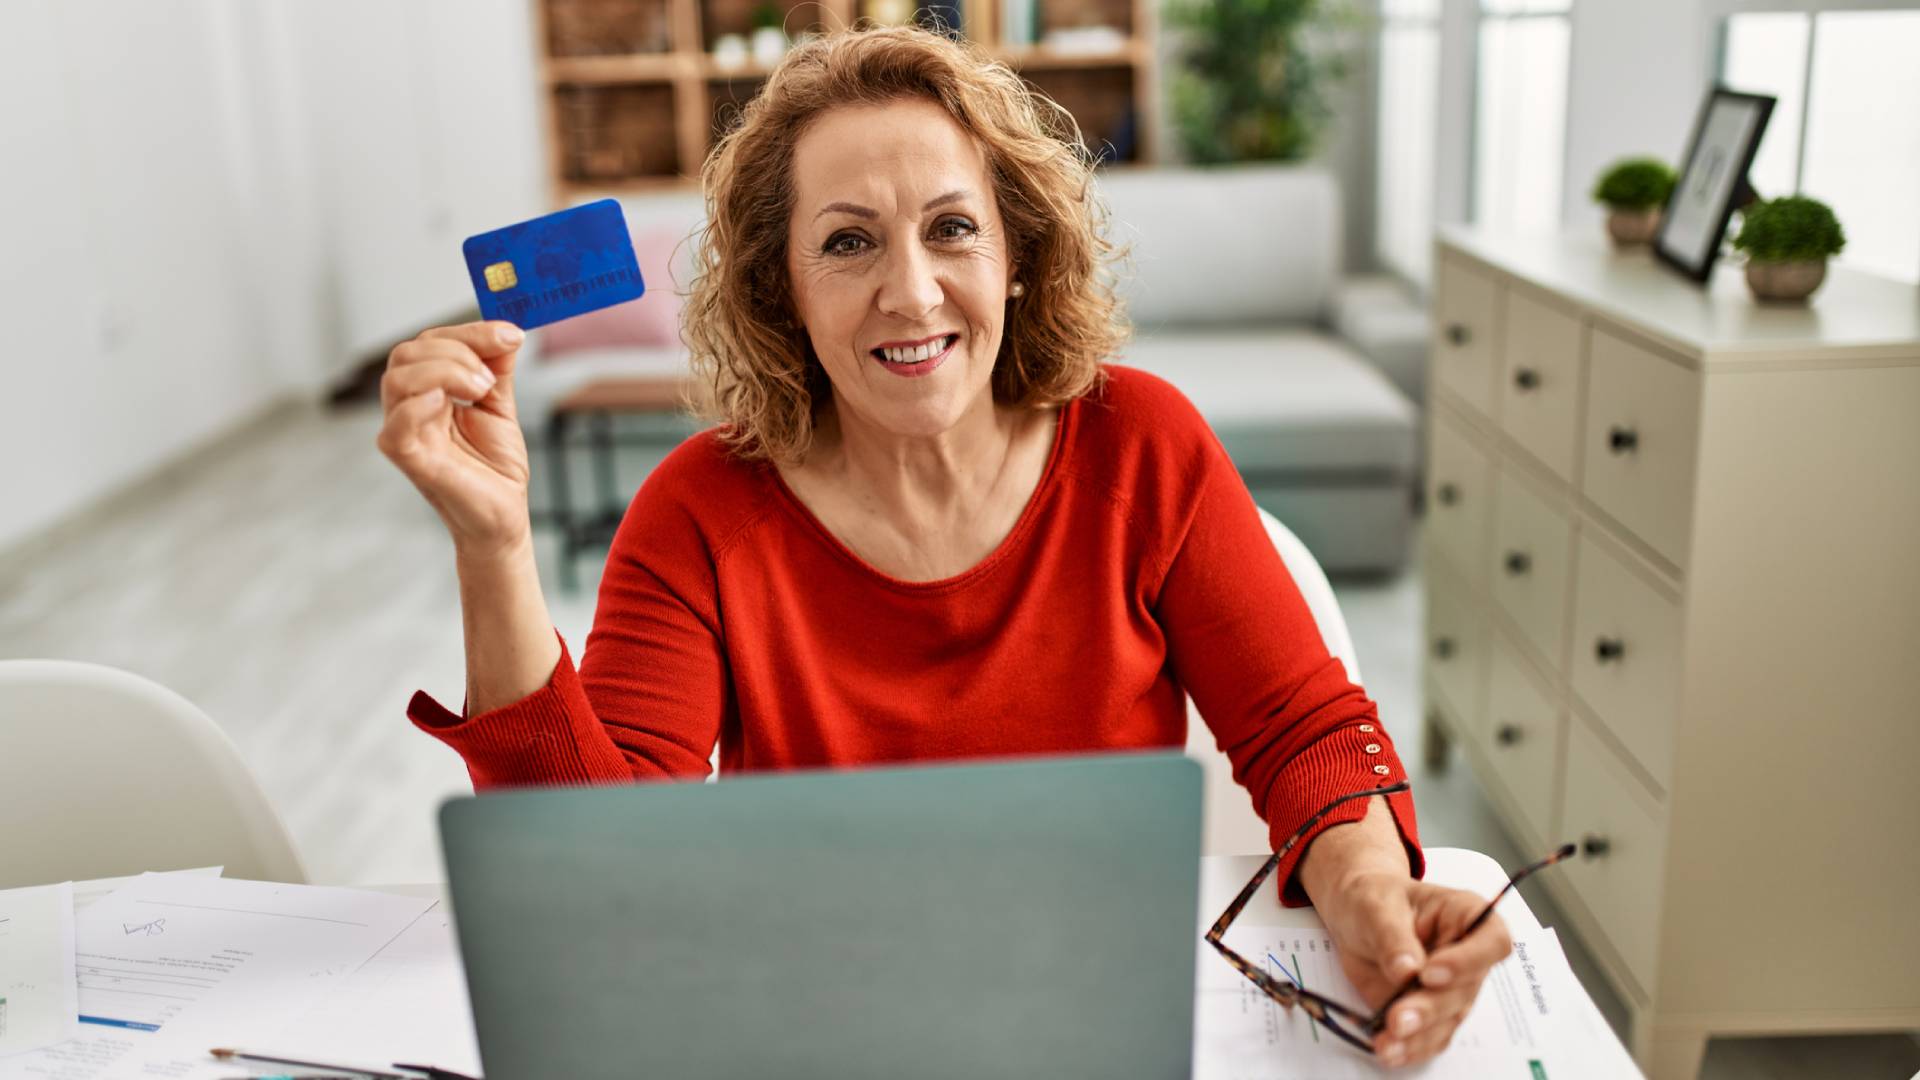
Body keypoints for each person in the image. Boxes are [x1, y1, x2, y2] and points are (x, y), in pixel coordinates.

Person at [375, 23, 1509, 1067]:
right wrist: (494, 543)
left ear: (1017, 252)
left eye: (952, 229)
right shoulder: (697, 513)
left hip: (1095, 1011)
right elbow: (591, 873)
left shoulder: (1143, 445)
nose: (911, 294)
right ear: (783, 288)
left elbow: (1304, 729)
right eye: (848, 242)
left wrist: (1369, 889)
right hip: (810, 1026)